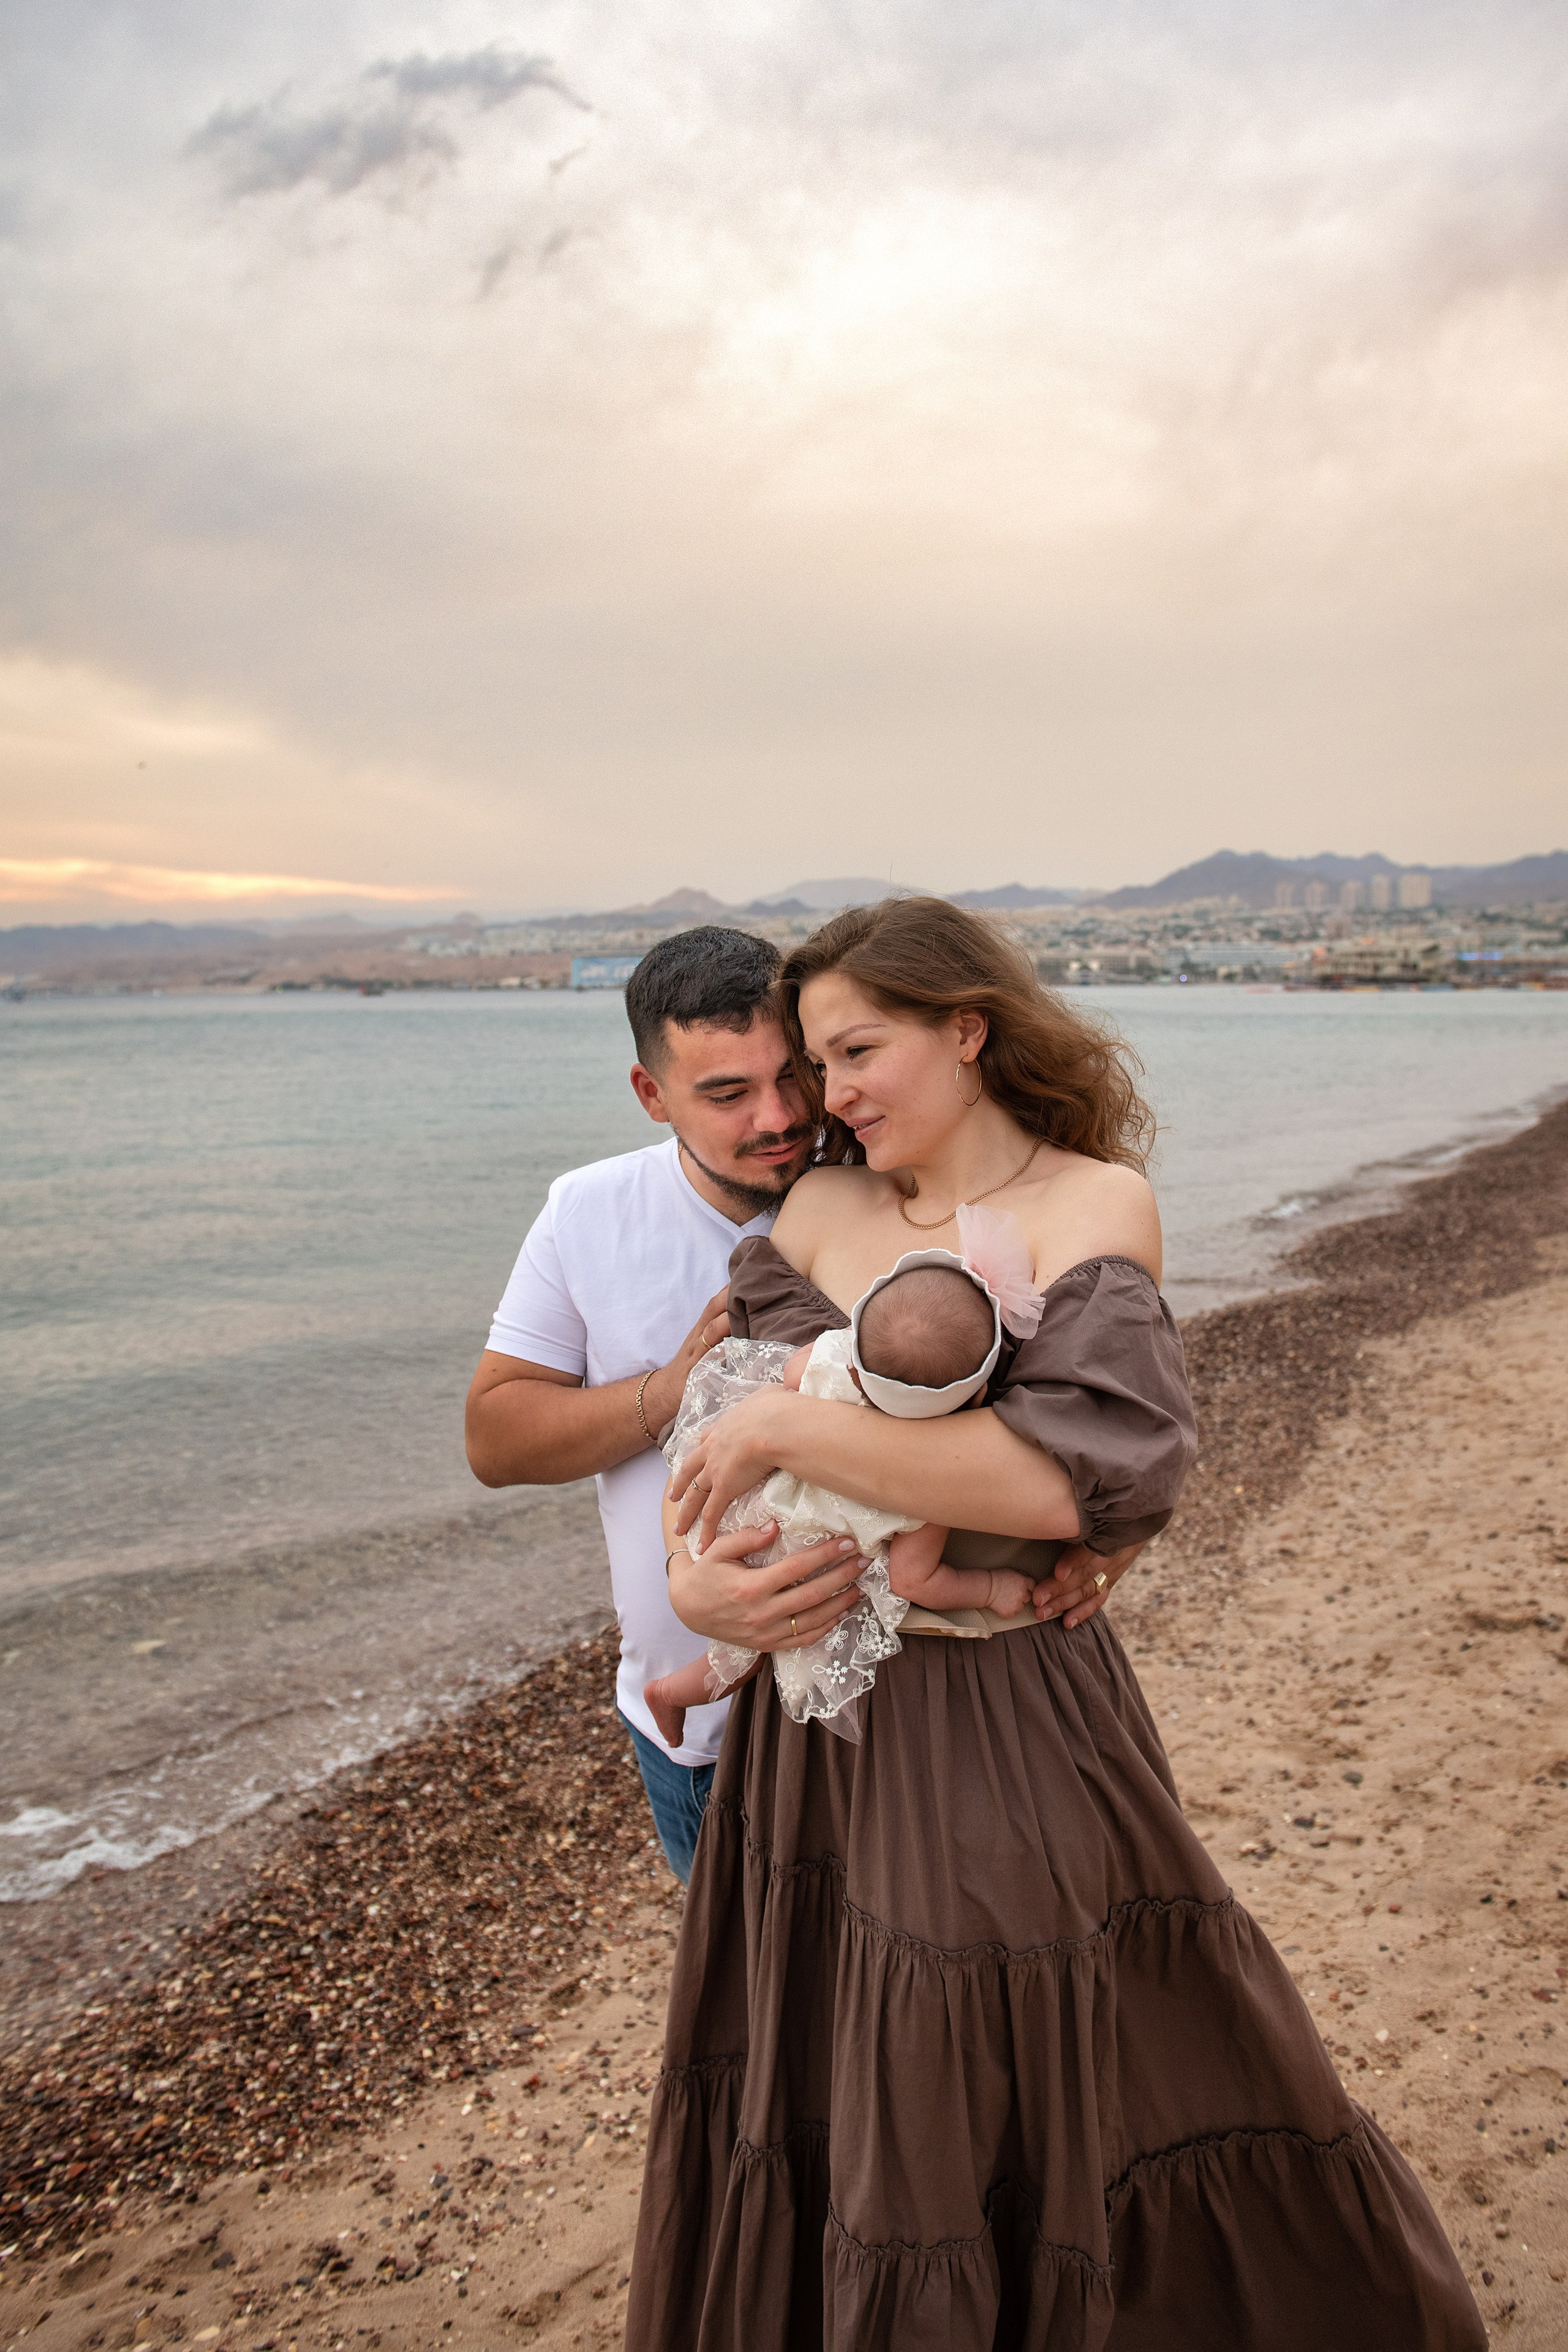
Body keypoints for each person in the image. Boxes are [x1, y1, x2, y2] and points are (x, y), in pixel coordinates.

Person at [626, 897, 1482, 2351]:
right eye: (813, 1063)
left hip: (1002, 1714)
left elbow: (1043, 1474)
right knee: (827, 2077)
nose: (829, 1097)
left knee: (1029, 2047)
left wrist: (799, 1417)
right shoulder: (819, 1210)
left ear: (963, 1028)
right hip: (808, 1729)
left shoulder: (1090, 1205)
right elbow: (716, 1446)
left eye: (855, 1051)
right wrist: (696, 1581)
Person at [466, 923, 1138, 1884]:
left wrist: (1119, 1537)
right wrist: (675, 1394)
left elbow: (1099, 1413)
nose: (781, 1115)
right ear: (651, 1094)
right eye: (727, 1093)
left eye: (800, 1075)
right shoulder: (589, 1211)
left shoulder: (901, 1176)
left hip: (897, 1726)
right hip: (700, 1731)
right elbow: (495, 1439)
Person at [644, 1235, 1049, 1754]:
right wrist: (990, 1589)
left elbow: (791, 1372)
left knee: (743, 1638)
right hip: (803, 1564)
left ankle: (670, 1691)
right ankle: (673, 1692)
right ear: (974, 1396)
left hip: (748, 1519)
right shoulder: (931, 1483)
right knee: (757, 1647)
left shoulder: (834, 1362)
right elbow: (912, 1579)